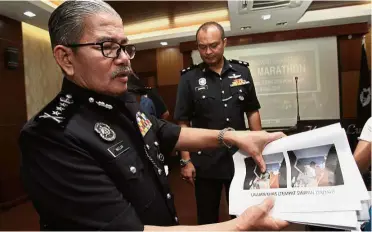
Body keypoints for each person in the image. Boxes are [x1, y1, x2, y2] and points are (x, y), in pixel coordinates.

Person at [18, 1, 289, 231]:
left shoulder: (120, 98)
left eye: (124, 46)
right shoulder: (51, 137)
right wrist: (238, 226)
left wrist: (231, 137)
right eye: (108, 47)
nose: (124, 58)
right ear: (66, 58)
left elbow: (161, 130)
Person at [174, 21, 262, 224]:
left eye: (213, 45)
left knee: (243, 214)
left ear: (224, 43)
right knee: (207, 217)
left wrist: (259, 146)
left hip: (240, 158)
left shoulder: (242, 72)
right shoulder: (189, 79)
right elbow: (183, 122)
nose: (208, 51)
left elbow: (252, 112)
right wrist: (185, 161)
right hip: (205, 161)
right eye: (202, 47)